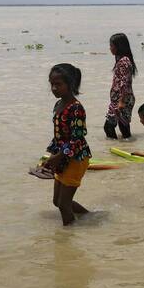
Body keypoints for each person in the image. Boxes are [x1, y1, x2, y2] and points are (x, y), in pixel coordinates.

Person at [44, 63, 92, 226]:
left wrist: (58, 157)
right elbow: (59, 136)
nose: (54, 88)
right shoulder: (58, 105)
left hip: (76, 159)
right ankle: (89, 217)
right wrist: (52, 157)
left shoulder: (76, 108)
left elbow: (76, 138)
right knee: (57, 201)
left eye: (58, 84)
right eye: (52, 84)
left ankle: (68, 240)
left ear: (70, 84)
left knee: (64, 205)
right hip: (62, 157)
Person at [105, 33, 137, 140]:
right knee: (123, 126)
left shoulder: (124, 61)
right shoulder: (121, 60)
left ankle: (118, 150)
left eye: (111, 46)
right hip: (119, 99)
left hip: (122, 99)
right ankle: (126, 147)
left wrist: (121, 101)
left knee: (109, 126)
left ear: (118, 46)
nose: (110, 48)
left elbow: (125, 82)